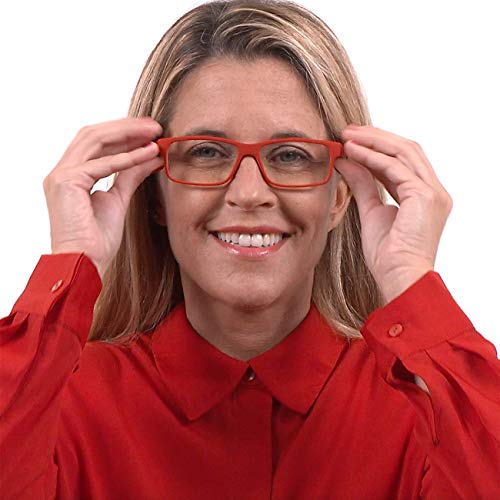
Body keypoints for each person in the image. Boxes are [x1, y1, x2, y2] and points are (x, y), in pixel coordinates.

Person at [1, 0, 499, 498]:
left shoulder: (423, 410)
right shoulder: (58, 403)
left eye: (290, 155)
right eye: (207, 152)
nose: (249, 192)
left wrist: (410, 279)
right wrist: (74, 261)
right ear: (154, 193)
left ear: (339, 197)